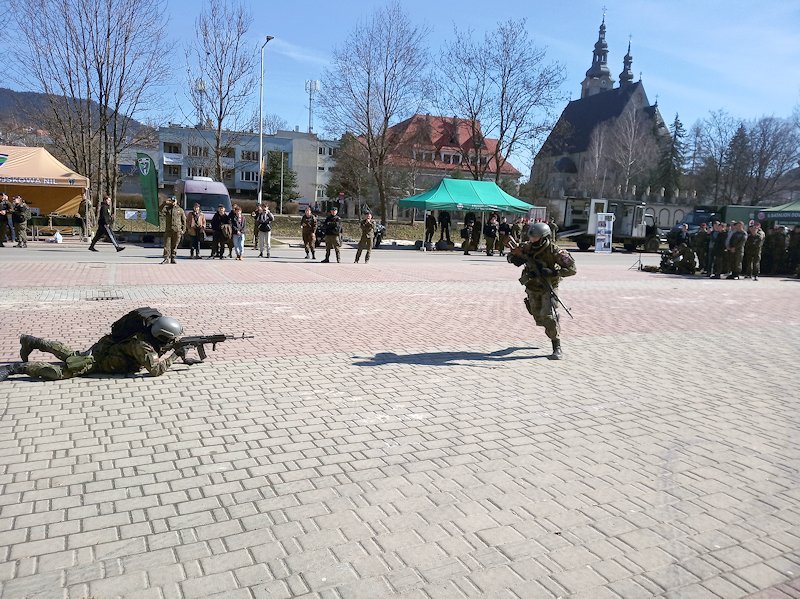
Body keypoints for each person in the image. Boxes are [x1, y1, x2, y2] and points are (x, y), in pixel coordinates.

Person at [0, 309, 193, 382]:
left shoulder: (147, 329)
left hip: (104, 347)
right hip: (100, 362)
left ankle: (32, 341)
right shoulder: (142, 346)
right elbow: (155, 370)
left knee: (70, 354)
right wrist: (176, 355)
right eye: (170, 339)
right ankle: (15, 368)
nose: (172, 342)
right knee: (61, 372)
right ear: (161, 335)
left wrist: (176, 350)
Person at [507, 221, 577, 360]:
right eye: (531, 236)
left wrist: (553, 272)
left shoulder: (554, 251)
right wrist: (514, 258)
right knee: (538, 317)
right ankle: (553, 320)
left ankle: (556, 346)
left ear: (544, 237)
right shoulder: (526, 247)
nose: (532, 239)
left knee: (548, 316)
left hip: (548, 286)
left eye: (535, 237)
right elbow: (510, 256)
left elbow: (572, 270)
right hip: (532, 286)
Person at [160, 195, 186, 264]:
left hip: (177, 230)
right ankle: (166, 258)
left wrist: (183, 230)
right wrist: (164, 203)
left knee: (175, 245)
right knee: (167, 245)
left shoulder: (180, 210)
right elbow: (160, 211)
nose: (173, 202)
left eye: (174, 201)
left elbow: (184, 221)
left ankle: (173, 257)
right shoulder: (167, 208)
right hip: (168, 229)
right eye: (172, 201)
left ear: (176, 201)